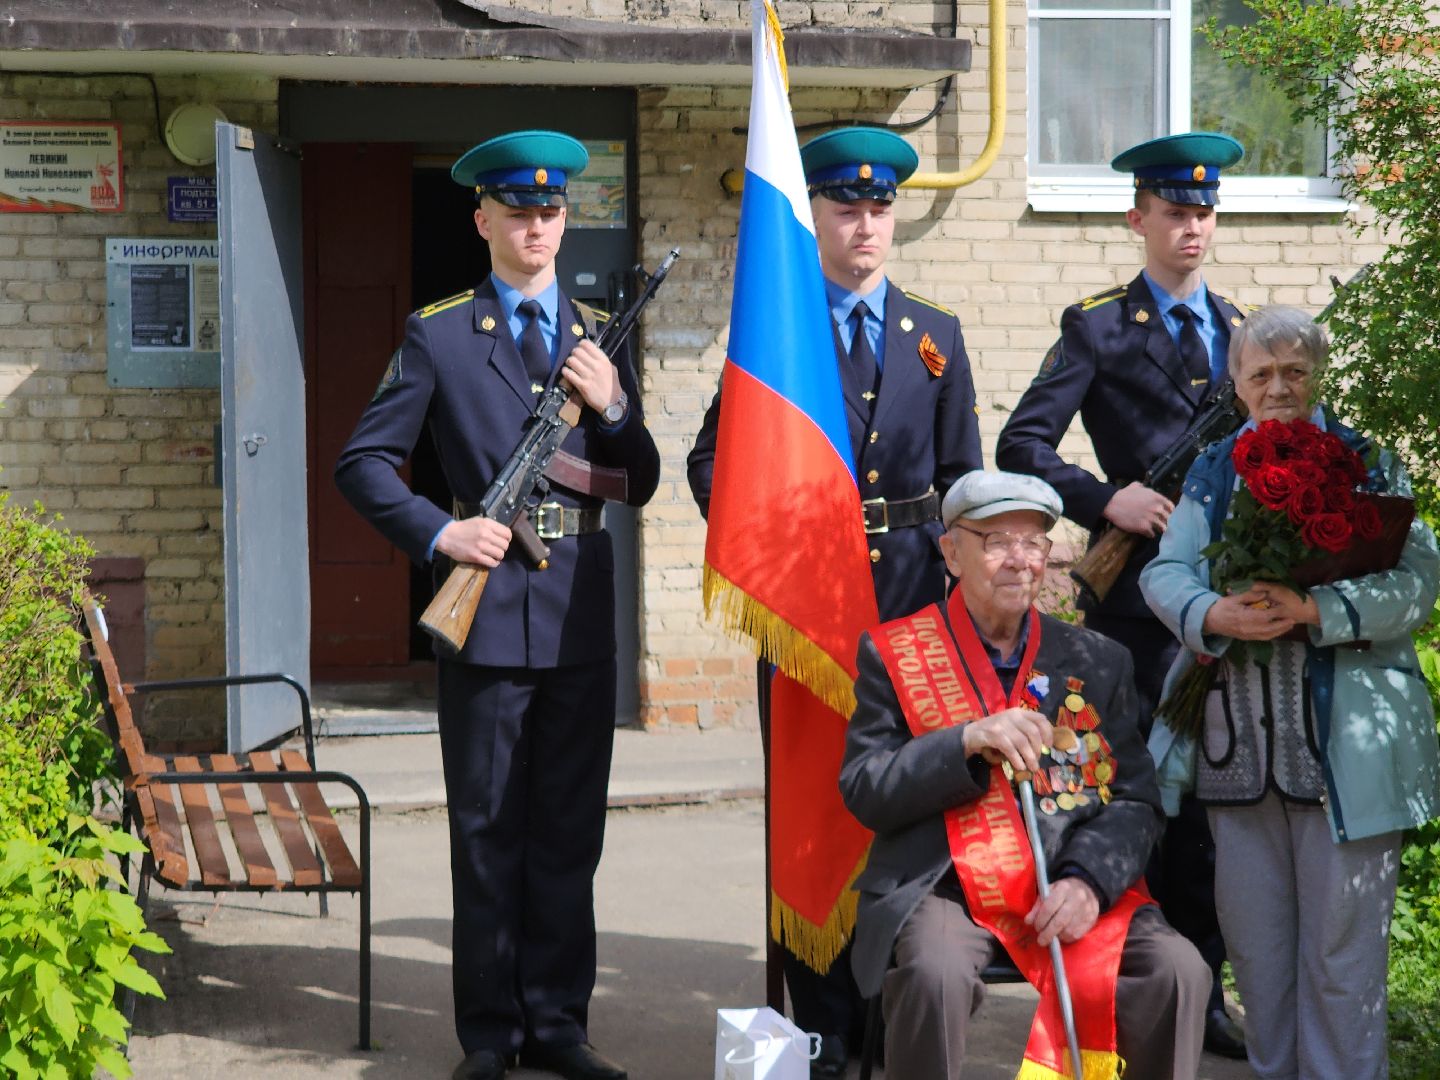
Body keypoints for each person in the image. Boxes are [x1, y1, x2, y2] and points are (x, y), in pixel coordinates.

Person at [335, 130, 660, 1080]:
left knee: (567, 835)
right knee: (484, 834)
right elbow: (360, 464)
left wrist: (614, 408)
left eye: (551, 211)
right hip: (481, 621)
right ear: (482, 220)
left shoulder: (597, 334)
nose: (536, 227)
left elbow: (634, 481)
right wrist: (441, 534)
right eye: (518, 211)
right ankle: (489, 1036)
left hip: (577, 623)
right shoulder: (440, 332)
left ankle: (559, 1025)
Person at [687, 126, 982, 1076]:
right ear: (812, 215)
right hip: (808, 620)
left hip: (908, 615)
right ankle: (820, 1035)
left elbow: (962, 480)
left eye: (881, 207)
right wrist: (770, 547)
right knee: (813, 823)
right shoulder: (781, 333)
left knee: (901, 822)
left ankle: (886, 1027)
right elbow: (712, 463)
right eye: (847, 207)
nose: (867, 224)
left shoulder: (935, 334)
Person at [995, 130, 1249, 1058]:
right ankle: (1136, 972)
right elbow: (1021, 445)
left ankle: (1203, 992)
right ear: (1138, 217)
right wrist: (1110, 499)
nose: (1193, 227)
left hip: (1226, 606)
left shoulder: (1241, 328)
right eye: (1176, 212)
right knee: (1148, 794)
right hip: (1138, 607)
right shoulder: (1099, 327)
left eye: (1205, 212)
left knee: (1220, 802)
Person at [1142, 305, 1440, 1080]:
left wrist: (1318, 610)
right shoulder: (1214, 469)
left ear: (1318, 377)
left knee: (1343, 960)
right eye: (1261, 373)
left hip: (1346, 758)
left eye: (1295, 372)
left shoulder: (1366, 461)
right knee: (1259, 954)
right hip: (1237, 753)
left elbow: (1418, 581)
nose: (1279, 388)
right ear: (1237, 384)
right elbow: (1163, 572)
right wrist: (1215, 611)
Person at [839, 469, 1210, 1080]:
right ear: (951, 553)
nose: (1020, 561)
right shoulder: (895, 653)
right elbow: (866, 787)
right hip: (946, 888)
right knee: (934, 974)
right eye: (996, 541)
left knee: (1180, 970)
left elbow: (1137, 798)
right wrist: (961, 742)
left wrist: (1089, 880)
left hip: (1069, 882)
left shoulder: (1097, 659)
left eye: (1035, 542)